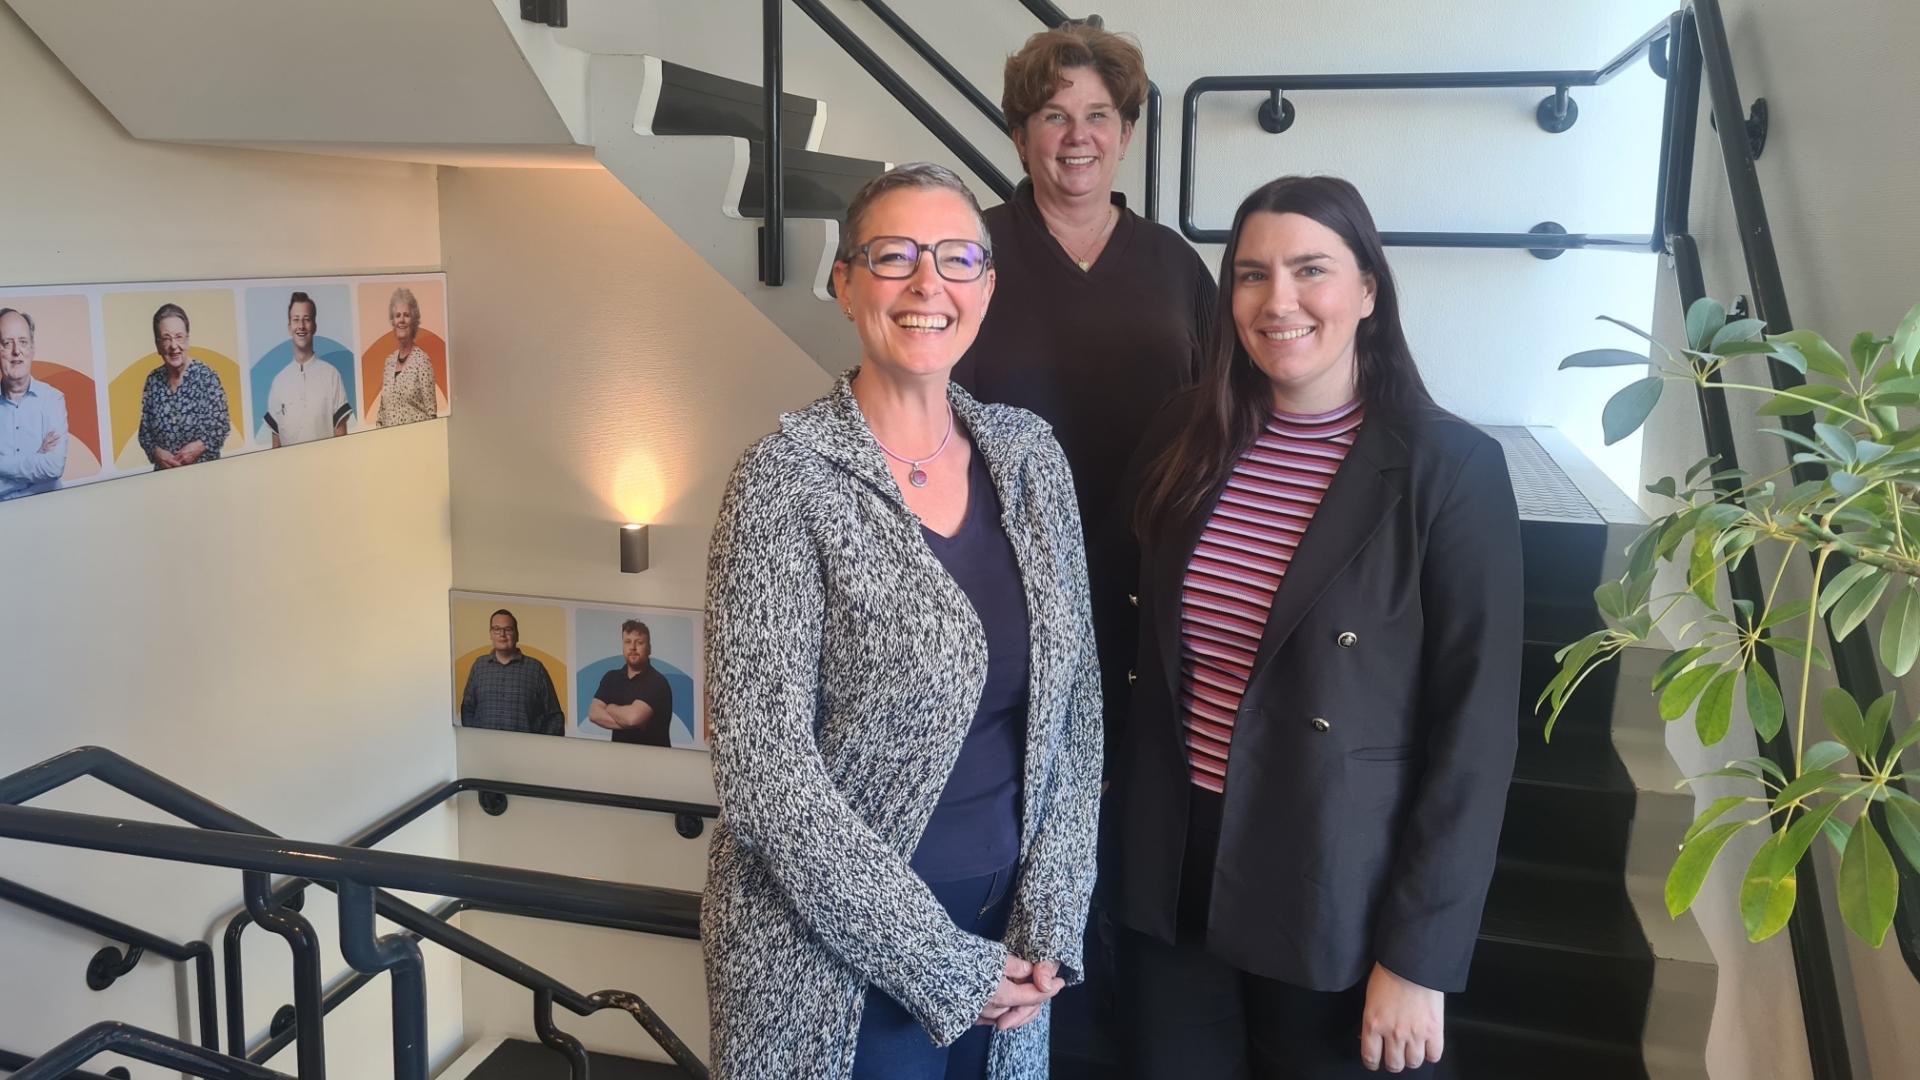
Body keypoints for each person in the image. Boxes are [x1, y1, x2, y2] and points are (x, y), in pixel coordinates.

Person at [1106, 176, 1521, 1078]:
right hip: (1172, 867)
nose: (1278, 301)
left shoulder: (1447, 469)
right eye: (1252, 275)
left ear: (1368, 290)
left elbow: (1475, 738)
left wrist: (1419, 956)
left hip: (1332, 877)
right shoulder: (1187, 434)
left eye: (1310, 271)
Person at [702, 163, 1103, 1080]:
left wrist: (1051, 915)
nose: (929, 284)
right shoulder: (783, 482)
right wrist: (935, 962)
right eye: (894, 257)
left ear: (987, 288)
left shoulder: (1032, 458)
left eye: (957, 258)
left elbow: (1076, 714)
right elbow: (765, 774)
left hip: (1008, 945)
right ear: (845, 284)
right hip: (828, 959)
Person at [954, 22, 1215, 756]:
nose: (1078, 136)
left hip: (1150, 576)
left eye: (1098, 115)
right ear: (1019, 134)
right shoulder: (971, 253)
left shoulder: (1173, 264)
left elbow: (1223, 411)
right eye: (1053, 116)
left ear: (1126, 133)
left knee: (1137, 793)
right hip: (1003, 578)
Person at [137, 303, 229, 470]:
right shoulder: (152, 381)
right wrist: (155, 451)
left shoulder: (207, 377)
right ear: (158, 345)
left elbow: (221, 426)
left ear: (187, 339)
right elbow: (144, 433)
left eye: (179, 337)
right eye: (166, 338)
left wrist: (199, 447)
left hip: (204, 476)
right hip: (163, 480)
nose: (173, 346)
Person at [459, 609, 564, 736]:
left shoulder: (535, 669)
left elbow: (555, 717)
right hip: (485, 750)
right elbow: (467, 709)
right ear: (491, 634)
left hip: (524, 752)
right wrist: (474, 740)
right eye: (496, 629)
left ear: (517, 635)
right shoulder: (479, 666)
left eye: (508, 629)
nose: (502, 634)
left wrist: (538, 747)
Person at [265, 291, 350, 447]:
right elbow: (275, 444)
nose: (301, 326)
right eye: (296, 320)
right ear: (289, 327)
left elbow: (341, 436)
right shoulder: (279, 382)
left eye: (307, 319)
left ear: (314, 326)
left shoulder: (331, 375)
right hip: (291, 470)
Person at [0, 307, 67, 500]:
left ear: (32, 348)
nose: (16, 351)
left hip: (48, 514)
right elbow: (43, 469)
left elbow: (53, 467)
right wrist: (37, 457)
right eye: (7, 343)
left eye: (23, 342)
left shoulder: (53, 399)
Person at [587, 619, 675, 746]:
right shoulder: (611, 678)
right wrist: (627, 720)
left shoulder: (657, 682)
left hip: (655, 761)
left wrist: (610, 707)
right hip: (619, 760)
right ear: (623, 646)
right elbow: (594, 714)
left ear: (649, 648)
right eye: (628, 642)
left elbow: (633, 719)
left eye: (639, 642)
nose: (633, 647)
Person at [375, 287, 436, 427]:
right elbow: (382, 413)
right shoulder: (388, 362)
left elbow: (432, 416)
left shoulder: (422, 360)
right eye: (397, 316)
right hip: (389, 443)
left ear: (414, 321)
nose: (401, 320)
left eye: (406, 315)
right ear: (393, 321)